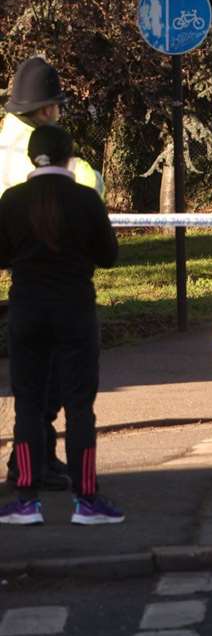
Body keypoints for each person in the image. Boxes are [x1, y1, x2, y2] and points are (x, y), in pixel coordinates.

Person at [0, 125, 122, 526]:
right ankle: (86, 500)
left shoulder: (12, 201)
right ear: (70, 158)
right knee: (79, 407)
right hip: (74, 312)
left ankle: (25, 500)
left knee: (28, 405)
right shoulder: (85, 200)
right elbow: (108, 256)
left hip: (27, 312)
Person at [1, 56, 101, 492]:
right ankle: (78, 486)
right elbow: (91, 193)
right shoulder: (58, 161)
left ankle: (30, 469)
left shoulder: (5, 146)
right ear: (45, 111)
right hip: (68, 295)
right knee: (66, 392)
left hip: (23, 293)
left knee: (29, 391)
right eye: (57, 106)